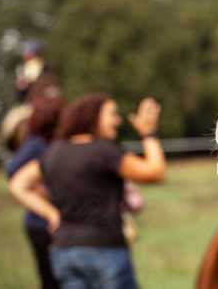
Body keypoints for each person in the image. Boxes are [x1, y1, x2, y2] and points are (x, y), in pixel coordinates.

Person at [9, 94, 166, 289]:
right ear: (93, 117)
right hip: (105, 251)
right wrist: (149, 134)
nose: (117, 121)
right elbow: (155, 172)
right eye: (112, 114)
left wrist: (51, 215)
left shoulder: (54, 152)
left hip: (64, 252)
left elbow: (18, 184)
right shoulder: (104, 151)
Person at [6, 96, 64, 289]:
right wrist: (39, 190)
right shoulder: (36, 144)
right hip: (40, 224)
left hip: (50, 222)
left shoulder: (48, 142)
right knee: (51, 279)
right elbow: (12, 170)